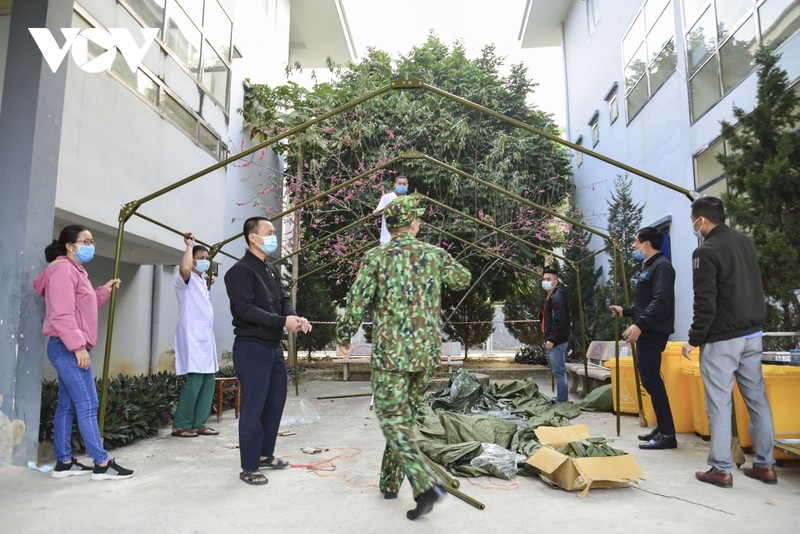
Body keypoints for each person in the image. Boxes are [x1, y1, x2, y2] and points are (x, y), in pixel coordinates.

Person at [337, 195, 471, 521]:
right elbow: (463, 278)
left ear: (389, 225)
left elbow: (357, 298)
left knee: (391, 421)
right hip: (424, 356)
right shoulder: (434, 255)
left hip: (391, 357)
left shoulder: (376, 257)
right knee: (404, 422)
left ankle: (425, 485)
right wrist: (438, 266)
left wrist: (344, 337)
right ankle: (389, 482)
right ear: (414, 224)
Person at [681, 196, 776, 488]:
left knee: (720, 404)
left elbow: (705, 302)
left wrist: (694, 339)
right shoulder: (746, 242)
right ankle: (765, 466)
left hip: (723, 338)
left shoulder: (705, 251)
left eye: (692, 220)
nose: (692, 225)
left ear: (702, 220)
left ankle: (721, 469)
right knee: (757, 400)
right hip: (752, 334)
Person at [33, 224, 134, 481]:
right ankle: (101, 464)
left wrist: (103, 291)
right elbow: (62, 313)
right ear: (70, 245)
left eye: (92, 241)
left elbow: (82, 307)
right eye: (86, 241)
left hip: (68, 345)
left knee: (67, 406)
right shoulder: (63, 270)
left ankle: (65, 463)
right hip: (68, 347)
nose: (91, 246)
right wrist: (78, 347)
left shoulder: (73, 270)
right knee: (88, 404)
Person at [224, 217, 312, 485]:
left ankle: (265, 454)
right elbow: (245, 310)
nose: (274, 236)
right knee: (253, 407)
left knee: (274, 403)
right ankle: (249, 466)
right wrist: (281, 322)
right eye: (269, 232)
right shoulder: (239, 272)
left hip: (273, 347)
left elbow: (283, 300)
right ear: (253, 237)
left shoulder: (270, 270)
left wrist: (295, 318)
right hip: (252, 347)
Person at [611, 226, 677, 450]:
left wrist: (639, 324)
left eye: (636, 241)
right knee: (650, 379)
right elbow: (646, 303)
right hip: (649, 328)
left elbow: (660, 301)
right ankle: (663, 428)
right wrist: (627, 312)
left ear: (647, 243)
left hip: (653, 330)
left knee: (651, 380)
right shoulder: (651, 266)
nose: (633, 246)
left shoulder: (662, 267)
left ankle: (668, 433)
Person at [171, 233, 219, 438]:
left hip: (206, 338)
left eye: (208, 259)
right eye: (202, 258)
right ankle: (181, 424)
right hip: (191, 335)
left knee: (208, 379)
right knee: (195, 379)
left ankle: (199, 423)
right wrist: (189, 247)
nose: (206, 261)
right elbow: (185, 268)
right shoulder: (185, 279)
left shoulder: (201, 281)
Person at [539, 264, 570, 404]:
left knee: (559, 372)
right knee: (557, 371)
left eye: (548, 279)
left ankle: (562, 401)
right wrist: (547, 263)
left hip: (556, 341)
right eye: (544, 278)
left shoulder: (557, 298)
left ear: (555, 282)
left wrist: (551, 339)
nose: (544, 281)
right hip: (552, 339)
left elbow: (560, 320)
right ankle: (560, 399)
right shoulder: (549, 296)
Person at [373, 175, 409, 244]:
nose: (402, 185)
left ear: (407, 185)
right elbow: (377, 212)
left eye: (404, 184)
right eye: (400, 183)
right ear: (395, 184)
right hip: (387, 238)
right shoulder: (387, 197)